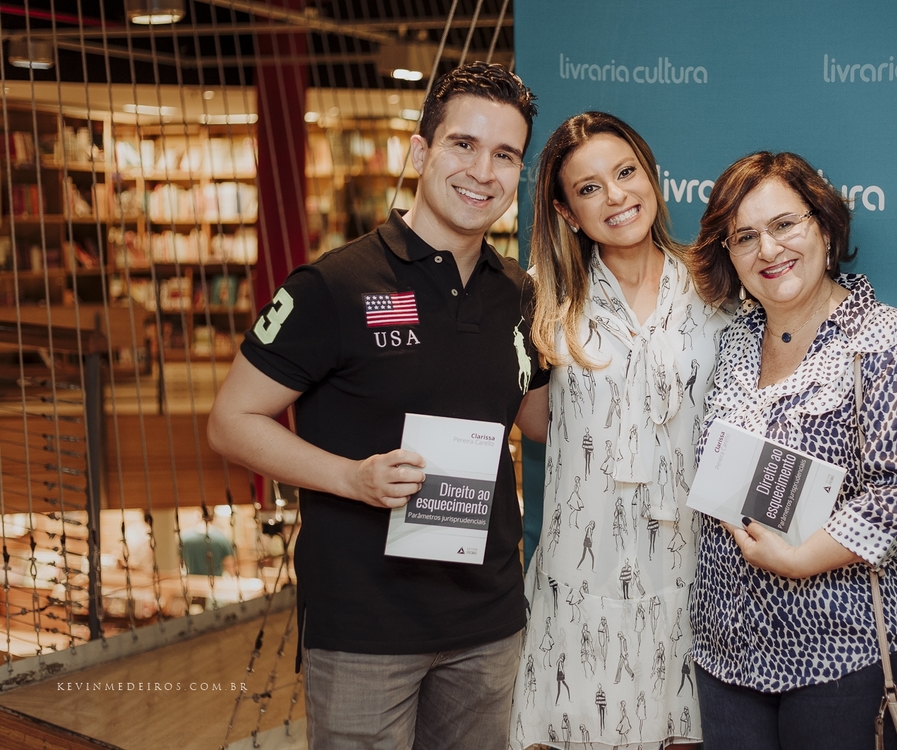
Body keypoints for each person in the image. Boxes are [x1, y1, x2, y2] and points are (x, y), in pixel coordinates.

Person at [207, 63, 547, 750]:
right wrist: (352, 478)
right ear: (420, 152)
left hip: (488, 623)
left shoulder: (519, 294)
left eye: (505, 155)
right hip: (365, 627)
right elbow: (231, 423)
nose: (483, 171)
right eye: (463, 145)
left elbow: (539, 421)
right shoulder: (332, 286)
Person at [685, 151, 897, 750]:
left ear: (825, 228)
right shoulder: (734, 341)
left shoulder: (883, 340)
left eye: (784, 224)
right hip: (727, 655)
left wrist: (800, 559)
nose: (768, 250)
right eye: (745, 237)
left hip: (849, 651)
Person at [510, 111, 730, 750]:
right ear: (567, 212)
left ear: (650, 175)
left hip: (694, 565)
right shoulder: (544, 302)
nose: (616, 196)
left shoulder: (716, 286)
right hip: (585, 570)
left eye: (626, 172)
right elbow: (537, 423)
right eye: (589, 188)